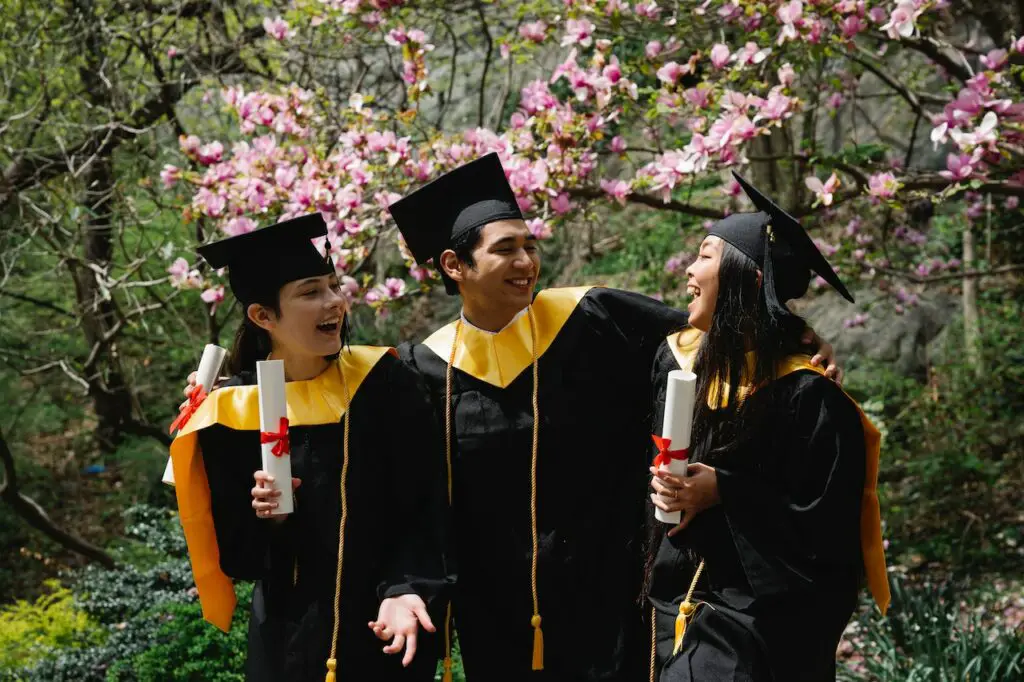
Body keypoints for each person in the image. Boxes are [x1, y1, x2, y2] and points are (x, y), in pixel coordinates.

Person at [387, 154, 842, 681]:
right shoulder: (425, 369)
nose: (527, 262)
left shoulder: (592, 316)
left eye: (530, 246)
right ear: (454, 265)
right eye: (506, 249)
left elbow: (715, 336)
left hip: (609, 594)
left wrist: (799, 338)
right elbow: (411, 493)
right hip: (494, 608)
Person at [167, 213, 446, 682]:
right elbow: (238, 559)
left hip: (384, 625)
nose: (334, 302)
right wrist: (269, 521)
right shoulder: (232, 410)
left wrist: (408, 588)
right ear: (263, 316)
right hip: (285, 639)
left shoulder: (385, 383)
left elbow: (426, 507)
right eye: (311, 291)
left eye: (334, 286)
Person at [644, 173, 889, 682]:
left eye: (706, 255)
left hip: (757, 631)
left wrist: (726, 491)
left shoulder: (811, 397)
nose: (689, 268)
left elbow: (826, 535)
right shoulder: (677, 361)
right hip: (672, 608)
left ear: (749, 278)